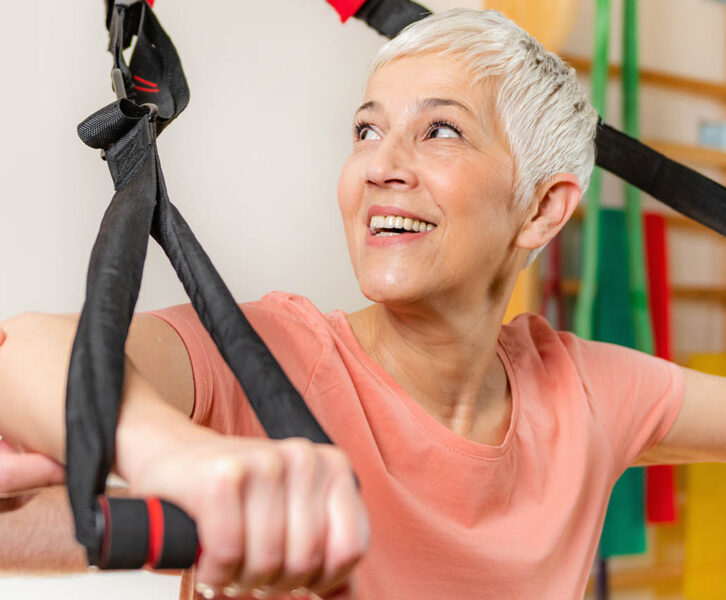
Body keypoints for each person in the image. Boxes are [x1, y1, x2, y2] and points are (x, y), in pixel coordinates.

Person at [1, 7, 724, 599]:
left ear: (540, 209)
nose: (379, 166)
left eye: (440, 130)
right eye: (366, 130)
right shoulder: (273, 356)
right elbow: (29, 354)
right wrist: (176, 457)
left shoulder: (585, 395)